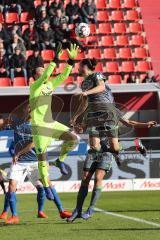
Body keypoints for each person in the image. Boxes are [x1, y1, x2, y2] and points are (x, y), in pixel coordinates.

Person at [67, 58, 157, 222]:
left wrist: (144, 123)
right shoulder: (83, 84)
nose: (78, 68)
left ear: (86, 67)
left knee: (112, 149)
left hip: (106, 113)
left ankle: (127, 148)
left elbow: (101, 87)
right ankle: (78, 210)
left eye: (80, 66)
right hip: (94, 114)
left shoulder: (96, 76)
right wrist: (76, 117)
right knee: (94, 146)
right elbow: (85, 103)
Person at [29, 43, 79, 199]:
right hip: (39, 127)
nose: (43, 71)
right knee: (42, 158)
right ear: (35, 76)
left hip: (50, 123)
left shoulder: (49, 85)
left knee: (73, 138)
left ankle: (60, 160)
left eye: (43, 69)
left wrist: (70, 61)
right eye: (40, 70)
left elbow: (63, 76)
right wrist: (55, 59)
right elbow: (46, 76)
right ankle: (45, 186)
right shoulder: (34, 86)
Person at [0, 116, 72, 224]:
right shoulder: (17, 123)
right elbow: (4, 121)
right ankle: (14, 215)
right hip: (19, 162)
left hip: (35, 161)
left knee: (47, 184)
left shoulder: (38, 127)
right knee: (11, 186)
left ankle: (61, 211)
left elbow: (34, 143)